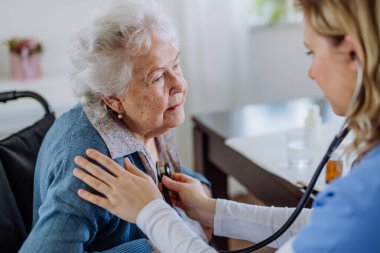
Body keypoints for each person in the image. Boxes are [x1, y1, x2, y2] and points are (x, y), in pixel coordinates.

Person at [72, 0, 380, 252]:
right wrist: (211, 210)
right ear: (113, 100)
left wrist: (152, 212)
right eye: (156, 77)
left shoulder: (367, 195)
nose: (311, 71)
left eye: (311, 52)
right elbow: (323, 223)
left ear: (354, 54)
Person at [19, 1, 212, 252]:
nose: (178, 84)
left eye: (175, 65)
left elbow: (158, 170)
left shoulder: (148, 119)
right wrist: (151, 249)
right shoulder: (90, 163)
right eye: (157, 77)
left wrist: (201, 191)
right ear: (113, 98)